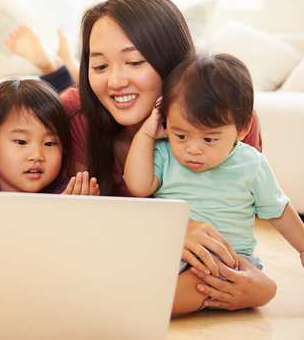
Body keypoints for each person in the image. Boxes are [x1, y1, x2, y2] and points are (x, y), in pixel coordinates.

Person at [6, 0, 276, 313]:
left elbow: (236, 235)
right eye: (100, 65)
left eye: (134, 62)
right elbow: (57, 230)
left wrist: (263, 289)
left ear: (173, 62)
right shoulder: (75, 115)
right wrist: (168, 228)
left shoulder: (223, 119)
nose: (116, 81)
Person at [124, 53, 304, 314]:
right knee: (127, 267)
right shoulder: (164, 153)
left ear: (241, 130)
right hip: (170, 249)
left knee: (193, 284)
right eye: (181, 135)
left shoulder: (250, 164)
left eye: (209, 139)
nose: (193, 150)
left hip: (225, 260)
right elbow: (138, 186)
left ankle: (141, 308)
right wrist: (147, 133)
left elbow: (278, 210)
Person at [0, 78, 99, 199]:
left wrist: (77, 212)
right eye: (21, 142)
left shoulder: (67, 194)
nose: (37, 155)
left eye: (49, 143)